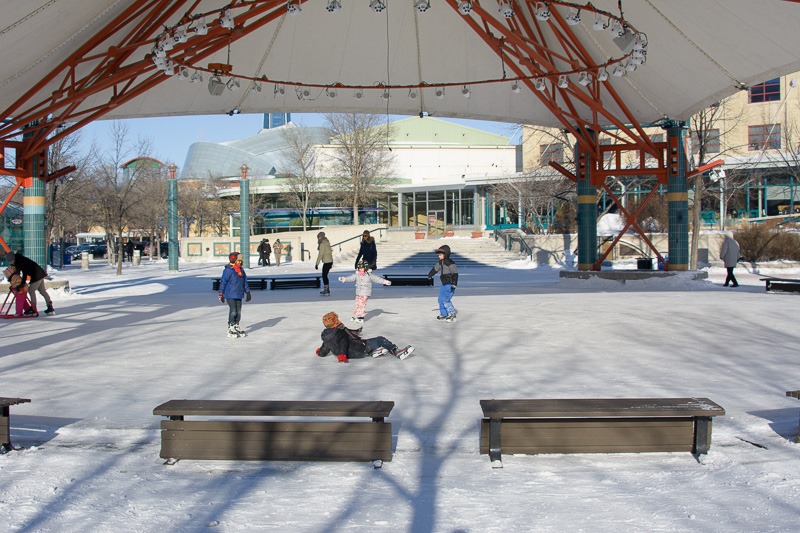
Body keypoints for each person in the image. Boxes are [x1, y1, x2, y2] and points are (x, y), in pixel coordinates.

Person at [315, 311, 414, 363]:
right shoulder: (340, 332)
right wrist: (342, 355)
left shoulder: (326, 336)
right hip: (359, 349)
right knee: (380, 339)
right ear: (336, 322)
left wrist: (320, 352)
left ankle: (374, 352)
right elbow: (343, 343)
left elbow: (325, 349)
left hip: (353, 351)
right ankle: (396, 351)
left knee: (369, 343)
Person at [218, 251, 252, 338]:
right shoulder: (228, 270)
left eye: (241, 260)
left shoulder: (241, 270)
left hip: (239, 294)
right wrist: (221, 294)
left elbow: (245, 282)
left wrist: (248, 292)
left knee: (238, 311)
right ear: (234, 260)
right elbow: (223, 282)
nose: (240, 262)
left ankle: (236, 325)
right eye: (238, 260)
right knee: (233, 310)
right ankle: (231, 326)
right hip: (230, 294)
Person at [427, 244, 458, 322]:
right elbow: (435, 269)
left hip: (449, 284)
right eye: (438, 255)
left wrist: (454, 283)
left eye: (440, 255)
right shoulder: (440, 263)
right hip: (443, 284)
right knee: (440, 299)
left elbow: (455, 274)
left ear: (446, 254)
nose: (439, 256)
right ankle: (444, 314)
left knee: (446, 299)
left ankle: (452, 314)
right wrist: (430, 275)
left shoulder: (450, 263)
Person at [315, 231, 333, 296]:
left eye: (318, 237)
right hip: (329, 261)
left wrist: (317, 263)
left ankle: (327, 289)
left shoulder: (322, 244)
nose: (317, 238)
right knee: (325, 275)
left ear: (321, 237)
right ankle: (326, 289)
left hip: (327, 261)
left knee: (324, 275)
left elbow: (320, 254)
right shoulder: (327, 242)